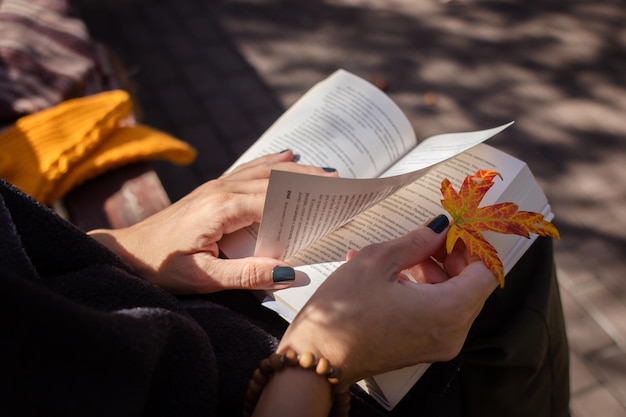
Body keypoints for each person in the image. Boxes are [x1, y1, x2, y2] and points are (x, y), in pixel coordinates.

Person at [0, 150, 570, 417]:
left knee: (507, 259)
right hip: (275, 384)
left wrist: (124, 246)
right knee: (506, 281)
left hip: (163, 303)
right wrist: (319, 359)